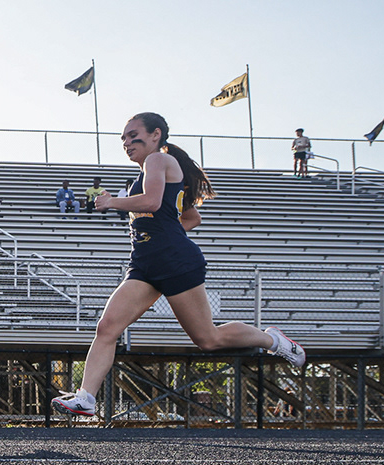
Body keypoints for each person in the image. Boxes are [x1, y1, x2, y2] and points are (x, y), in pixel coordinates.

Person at [51, 111, 305, 419]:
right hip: (146, 263)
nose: (127, 142)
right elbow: (190, 217)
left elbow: (153, 202)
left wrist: (112, 202)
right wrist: (162, 231)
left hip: (173, 260)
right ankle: (86, 397)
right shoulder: (151, 170)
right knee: (107, 327)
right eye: (124, 138)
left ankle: (273, 340)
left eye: (134, 135)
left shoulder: (156, 161)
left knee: (208, 339)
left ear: (156, 134)